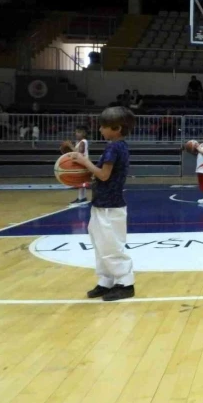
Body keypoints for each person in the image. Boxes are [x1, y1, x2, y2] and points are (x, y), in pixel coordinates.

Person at [70, 106, 136, 301]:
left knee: (111, 246)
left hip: (111, 206)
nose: (100, 130)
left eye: (103, 126)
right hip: (101, 204)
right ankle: (106, 281)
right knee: (99, 245)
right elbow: (100, 176)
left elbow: (104, 175)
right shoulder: (116, 147)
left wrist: (84, 161)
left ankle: (125, 283)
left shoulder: (115, 147)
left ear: (116, 128)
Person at [63, 126, 90, 205]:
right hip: (81, 162)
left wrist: (70, 146)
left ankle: (81, 198)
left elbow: (79, 153)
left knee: (80, 180)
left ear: (83, 133)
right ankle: (82, 197)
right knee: (81, 181)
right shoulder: (78, 142)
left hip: (83, 162)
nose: (76, 133)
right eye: (76, 132)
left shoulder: (83, 141)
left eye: (78, 132)